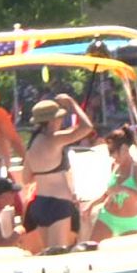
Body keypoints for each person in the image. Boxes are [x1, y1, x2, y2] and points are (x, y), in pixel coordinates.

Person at [23, 95, 93, 253]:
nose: (61, 121)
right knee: (59, 256)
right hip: (58, 205)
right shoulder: (54, 139)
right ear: (52, 121)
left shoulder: (32, 145)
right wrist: (72, 103)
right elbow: (87, 127)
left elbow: (26, 179)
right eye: (60, 118)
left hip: (39, 205)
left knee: (48, 254)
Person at [87, 126, 137, 241]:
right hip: (107, 217)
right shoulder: (114, 166)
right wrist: (91, 205)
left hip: (129, 222)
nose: (110, 156)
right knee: (93, 250)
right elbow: (110, 192)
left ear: (124, 149)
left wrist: (124, 189)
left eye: (112, 151)